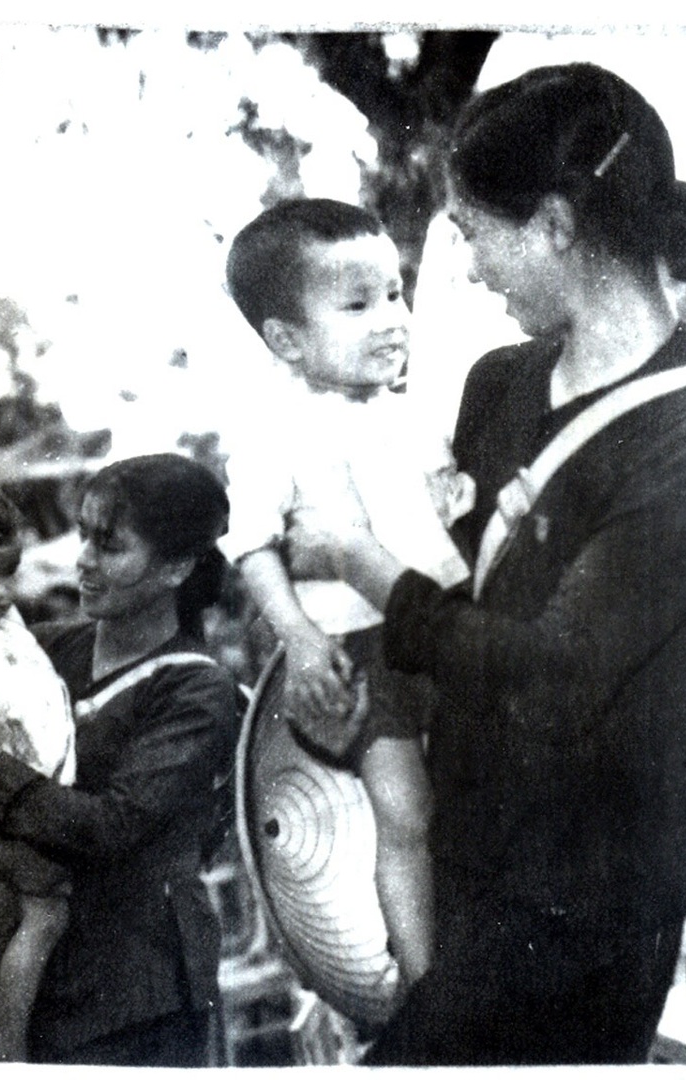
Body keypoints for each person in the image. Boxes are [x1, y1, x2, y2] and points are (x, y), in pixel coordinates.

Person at [284, 62, 686, 1065]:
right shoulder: (499, 384)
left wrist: (362, 563)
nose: (472, 269)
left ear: (555, 225)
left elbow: (556, 683)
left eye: (475, 234)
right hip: (462, 866)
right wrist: (358, 714)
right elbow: (460, 620)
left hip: (587, 912)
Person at [223, 197, 473, 991]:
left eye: (396, 296)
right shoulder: (277, 431)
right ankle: (422, 979)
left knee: (467, 803)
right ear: (288, 339)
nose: (391, 319)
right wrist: (297, 634)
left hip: (451, 628)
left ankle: (467, 957)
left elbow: (439, 512)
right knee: (403, 809)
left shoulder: (416, 412)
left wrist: (456, 497)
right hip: (362, 646)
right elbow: (253, 544)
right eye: (359, 305)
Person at [0, 453, 238, 1066]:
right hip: (21, 981)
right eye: (83, 537)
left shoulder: (195, 689)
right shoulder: (37, 650)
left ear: (177, 566)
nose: (84, 562)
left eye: (110, 546)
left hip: (130, 995)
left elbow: (111, 827)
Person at [0, 484, 76, 1062]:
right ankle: (8, 1045)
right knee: (44, 912)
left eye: (8, 574)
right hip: (3, 824)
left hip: (21, 808)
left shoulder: (8, 627)